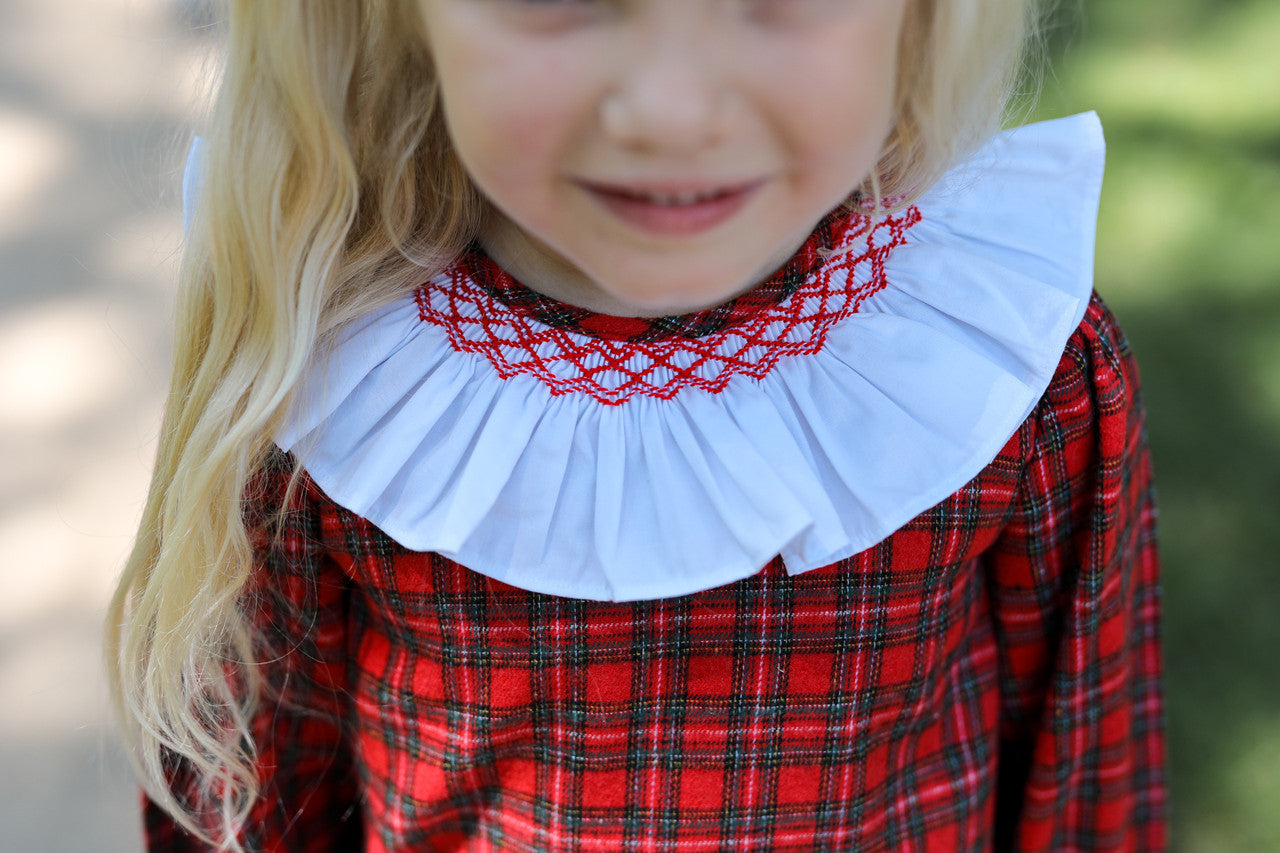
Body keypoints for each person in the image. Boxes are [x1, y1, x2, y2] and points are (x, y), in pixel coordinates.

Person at [107, 1, 1167, 850]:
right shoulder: (329, 372)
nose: (669, 108)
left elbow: (1083, 763)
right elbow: (250, 794)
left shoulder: (985, 352)